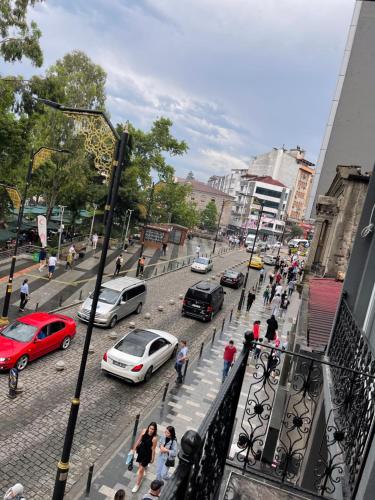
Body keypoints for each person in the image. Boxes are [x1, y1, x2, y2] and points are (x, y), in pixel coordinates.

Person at [131, 422, 158, 493]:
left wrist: (153, 458)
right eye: (150, 428)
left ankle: (137, 484)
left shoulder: (154, 438)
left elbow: (153, 449)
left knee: (140, 470)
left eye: (153, 429)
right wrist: (133, 449)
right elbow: (138, 440)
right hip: (141, 451)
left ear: (155, 430)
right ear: (148, 427)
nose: (151, 430)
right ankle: (143, 470)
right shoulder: (144, 431)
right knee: (140, 467)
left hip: (147, 455)